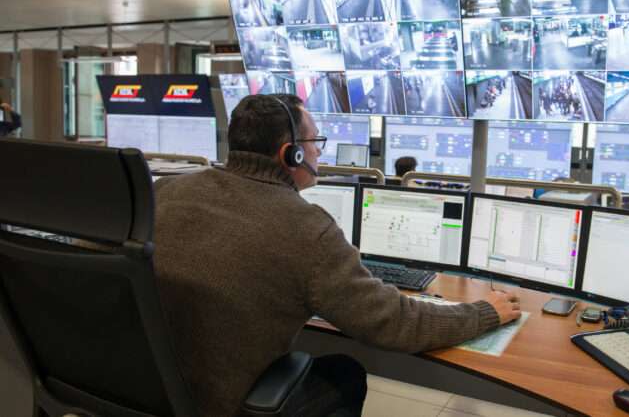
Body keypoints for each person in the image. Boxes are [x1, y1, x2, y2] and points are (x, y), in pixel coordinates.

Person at [153, 94, 520, 417]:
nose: (318, 151)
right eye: (315, 142)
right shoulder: (305, 227)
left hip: (154, 389)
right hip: (221, 405)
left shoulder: (167, 190)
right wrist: (485, 312)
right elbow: (394, 322)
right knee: (344, 373)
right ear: (291, 153)